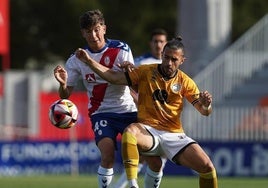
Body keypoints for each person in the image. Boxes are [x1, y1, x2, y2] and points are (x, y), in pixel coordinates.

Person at [75, 36, 218, 188]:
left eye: (174, 59)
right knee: (130, 131)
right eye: (166, 57)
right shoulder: (145, 71)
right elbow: (114, 78)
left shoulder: (186, 82)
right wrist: (89, 61)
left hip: (174, 135)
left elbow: (204, 112)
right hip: (148, 131)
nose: (169, 63)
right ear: (162, 55)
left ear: (182, 60)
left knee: (208, 168)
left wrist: (206, 105)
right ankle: (132, 183)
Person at [53, 9, 138, 188]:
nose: (94, 35)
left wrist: (128, 70)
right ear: (83, 33)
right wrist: (62, 84)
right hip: (101, 113)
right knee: (107, 155)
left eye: (97, 29)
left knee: (149, 155)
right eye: (88, 31)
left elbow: (131, 82)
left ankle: (132, 183)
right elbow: (65, 95)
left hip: (128, 110)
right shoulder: (76, 59)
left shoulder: (121, 50)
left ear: (104, 29)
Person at [113, 28, 168, 188]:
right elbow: (128, 86)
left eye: (162, 41)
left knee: (157, 156)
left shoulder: (170, 63)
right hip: (145, 115)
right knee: (149, 155)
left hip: (165, 117)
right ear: (150, 43)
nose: (159, 45)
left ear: (166, 43)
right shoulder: (140, 62)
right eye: (156, 41)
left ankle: (124, 185)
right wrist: (141, 101)